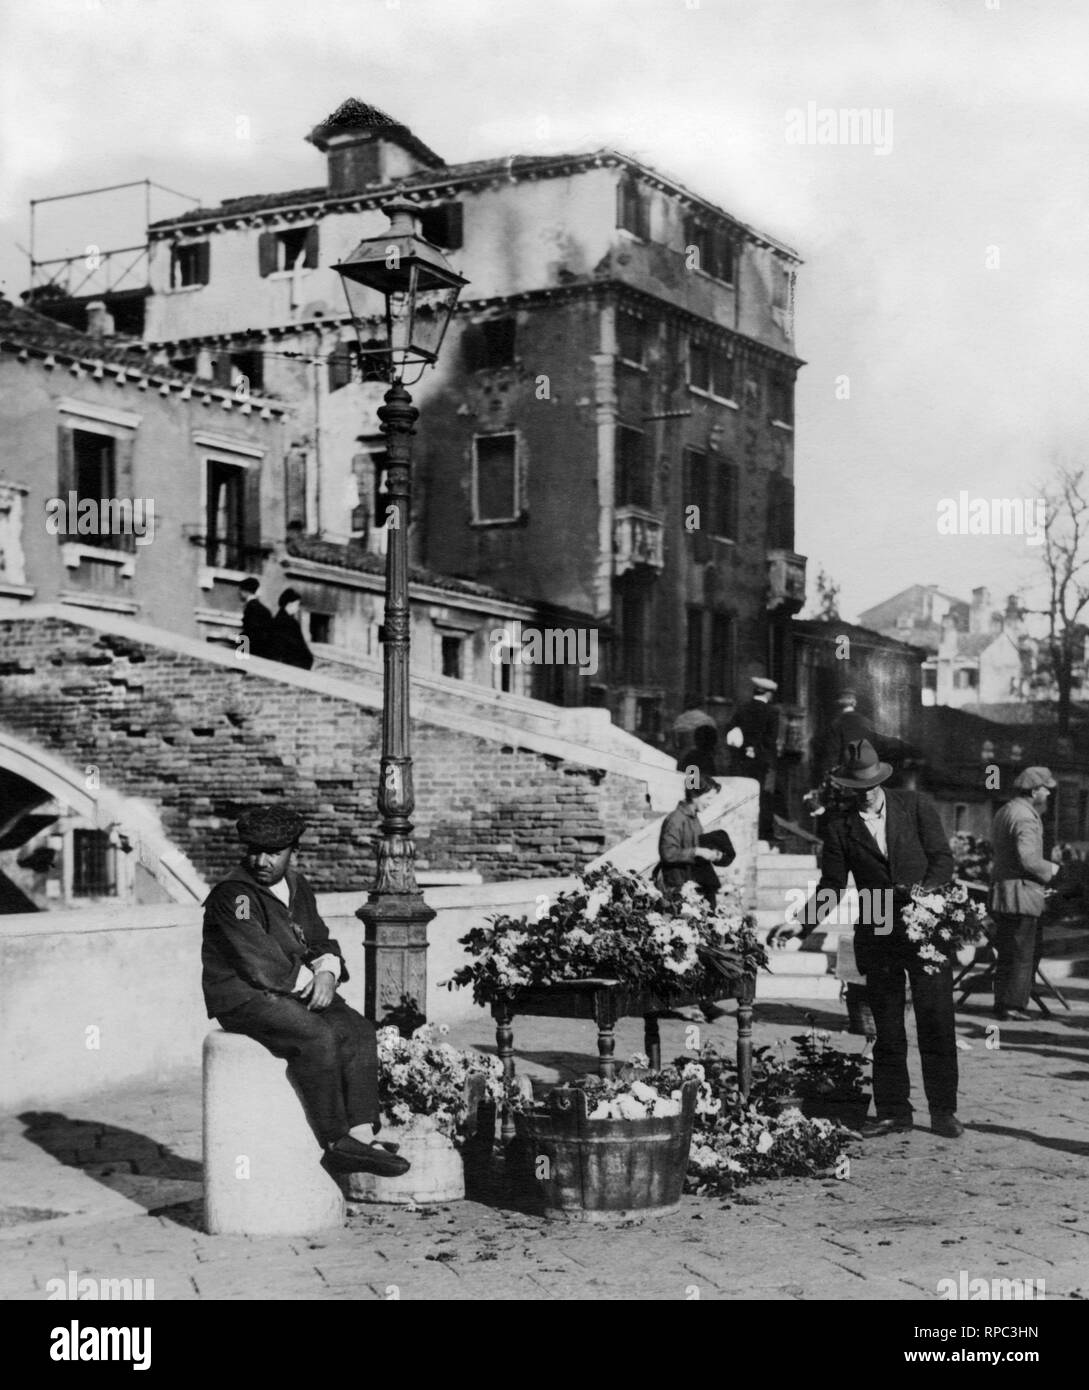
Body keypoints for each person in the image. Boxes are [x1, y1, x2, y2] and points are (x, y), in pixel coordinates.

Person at [201, 806, 409, 1178]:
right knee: (317, 1035)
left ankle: (361, 1134)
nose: (261, 861)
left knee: (359, 1029)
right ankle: (335, 1142)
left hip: (291, 988)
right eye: (253, 850)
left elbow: (318, 938)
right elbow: (259, 963)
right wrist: (310, 984)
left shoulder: (297, 886)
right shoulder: (236, 895)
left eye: (272, 853)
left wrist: (327, 971)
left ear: (292, 850)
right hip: (244, 996)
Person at [770, 740, 963, 1139]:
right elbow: (833, 884)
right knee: (887, 1027)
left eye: (871, 786)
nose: (866, 794)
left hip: (926, 922)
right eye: (857, 788)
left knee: (936, 1020)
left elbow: (943, 860)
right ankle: (894, 1111)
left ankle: (943, 1111)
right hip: (876, 919)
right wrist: (801, 923)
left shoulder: (916, 806)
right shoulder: (840, 826)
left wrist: (923, 895)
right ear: (845, 788)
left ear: (882, 779)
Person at [988, 766, 1062, 1021]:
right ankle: (1013, 1005)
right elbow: (1029, 860)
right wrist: (1055, 870)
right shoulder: (1027, 817)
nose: (1049, 795)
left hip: (1002, 893)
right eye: (1046, 789)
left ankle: (1003, 1002)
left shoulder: (1006, 810)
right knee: (1023, 953)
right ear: (1033, 791)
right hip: (1022, 895)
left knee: (1008, 952)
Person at [725, 675, 780, 843]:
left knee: (741, 792)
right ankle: (764, 833)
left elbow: (731, 732)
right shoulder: (772, 712)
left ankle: (738, 829)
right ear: (769, 694)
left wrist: (746, 749)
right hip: (762, 761)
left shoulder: (741, 709)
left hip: (741, 760)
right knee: (764, 796)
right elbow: (771, 740)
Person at [272, 588, 315, 670]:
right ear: (289, 604)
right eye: (297, 604)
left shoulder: (280, 620)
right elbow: (295, 646)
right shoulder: (287, 623)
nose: (298, 608)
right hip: (291, 665)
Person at [238, 577, 275, 660]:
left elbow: (250, 631)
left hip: (254, 650)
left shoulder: (251, 607)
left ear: (245, 591)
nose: (239, 593)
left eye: (240, 590)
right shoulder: (261, 608)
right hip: (262, 649)